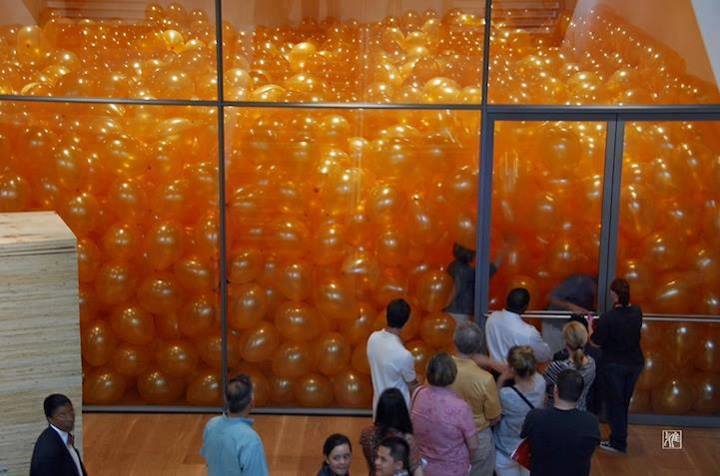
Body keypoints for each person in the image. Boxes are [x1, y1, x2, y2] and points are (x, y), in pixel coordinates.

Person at [590, 278, 644, 454]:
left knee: (615, 404)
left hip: (614, 365)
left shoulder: (608, 318)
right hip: (634, 363)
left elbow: (595, 342)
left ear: (613, 295)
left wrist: (590, 327)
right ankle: (620, 438)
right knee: (623, 402)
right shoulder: (637, 312)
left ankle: (618, 442)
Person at [521, 369, 601, 476]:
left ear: (555, 389)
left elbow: (523, 435)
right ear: (580, 394)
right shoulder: (591, 422)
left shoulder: (535, 417)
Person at [411, 353, 478, 476]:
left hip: (425, 466)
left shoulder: (418, 393)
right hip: (454, 469)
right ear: (453, 374)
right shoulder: (461, 407)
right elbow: (473, 446)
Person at [450, 322, 502, 476]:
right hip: (479, 438)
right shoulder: (485, 379)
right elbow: (494, 417)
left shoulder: (440, 369)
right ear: (478, 345)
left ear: (454, 341)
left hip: (447, 435)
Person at [201, 374, 269, 475]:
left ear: (225, 399)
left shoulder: (211, 425)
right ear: (252, 402)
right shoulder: (250, 440)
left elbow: (208, 459)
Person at [493, 346, 546, 476]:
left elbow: (494, 410)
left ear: (512, 369)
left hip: (506, 449)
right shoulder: (541, 382)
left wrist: (501, 380)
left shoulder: (506, 394)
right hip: (529, 447)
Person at [367, 299, 419, 413]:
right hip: (399, 412)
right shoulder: (404, 355)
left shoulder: (372, 338)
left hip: (378, 409)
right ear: (406, 322)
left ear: (386, 315)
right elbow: (412, 386)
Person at [360, 388, 423, 476]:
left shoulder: (366, 434)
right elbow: (416, 469)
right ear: (402, 411)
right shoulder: (406, 439)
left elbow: (370, 464)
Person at [486, 288, 552, 364]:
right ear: (526, 306)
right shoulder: (529, 333)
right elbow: (544, 356)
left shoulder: (492, 318)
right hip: (518, 371)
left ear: (506, 301)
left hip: (494, 369)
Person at [444, 243, 502, 325]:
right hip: (461, 313)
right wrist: (502, 254)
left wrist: (445, 306)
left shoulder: (453, 265)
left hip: (451, 311)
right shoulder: (466, 271)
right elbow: (487, 272)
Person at [543, 321, 596, 411]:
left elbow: (543, 386)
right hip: (581, 410)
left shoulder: (557, 367)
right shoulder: (591, 363)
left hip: (558, 411)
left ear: (566, 341)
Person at [30, 393, 87, 476]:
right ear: (50, 419)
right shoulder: (48, 451)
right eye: (62, 415)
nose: (70, 418)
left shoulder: (62, 436)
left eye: (71, 411)